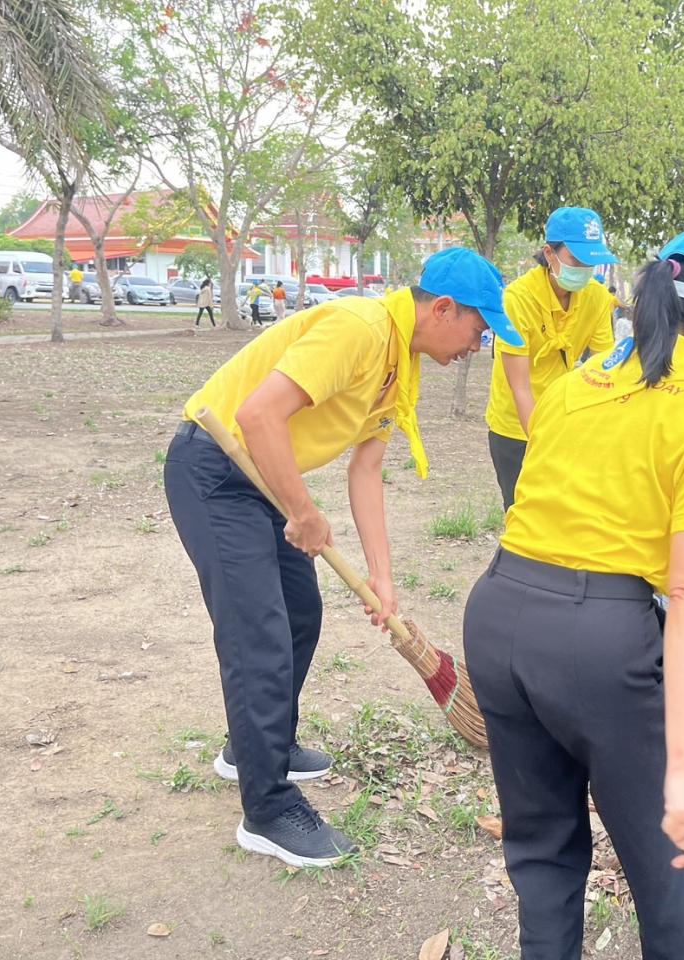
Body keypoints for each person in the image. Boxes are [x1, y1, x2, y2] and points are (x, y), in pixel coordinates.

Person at [164, 247, 524, 868]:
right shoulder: (359, 329)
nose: (477, 344)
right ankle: (268, 809)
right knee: (261, 636)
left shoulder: (400, 365)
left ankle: (250, 746)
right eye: (478, 328)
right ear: (442, 309)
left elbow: (368, 467)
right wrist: (303, 513)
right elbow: (256, 415)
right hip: (216, 471)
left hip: (260, 480)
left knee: (301, 615)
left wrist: (382, 576)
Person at [464, 230, 684, 960]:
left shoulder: (574, 387)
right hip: (596, 644)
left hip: (498, 616)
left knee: (542, 852)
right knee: (676, 867)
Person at [484, 206, 618, 510]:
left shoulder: (596, 298)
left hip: (564, 419)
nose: (584, 269)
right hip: (515, 427)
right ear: (549, 253)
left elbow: (605, 371)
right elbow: (519, 387)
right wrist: (543, 448)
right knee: (523, 515)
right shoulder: (518, 298)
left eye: (591, 263)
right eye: (576, 260)